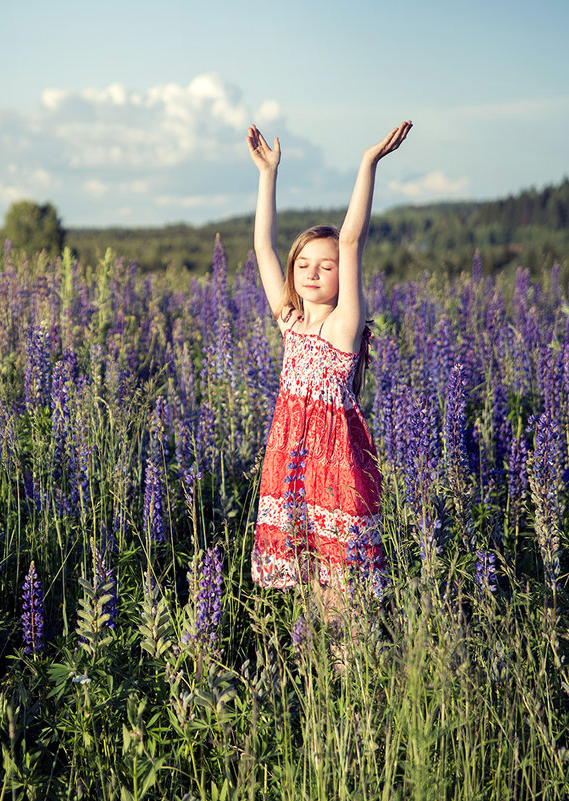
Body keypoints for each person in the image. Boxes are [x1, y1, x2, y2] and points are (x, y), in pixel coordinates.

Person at [246, 120, 411, 623]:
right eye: (304, 266)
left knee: (342, 596)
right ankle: (327, 691)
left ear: (343, 275)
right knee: (310, 593)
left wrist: (367, 163)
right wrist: (268, 174)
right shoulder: (291, 322)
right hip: (292, 460)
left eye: (326, 265)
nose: (313, 273)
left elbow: (353, 238)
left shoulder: (344, 327)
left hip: (336, 467)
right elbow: (262, 247)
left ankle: (355, 688)